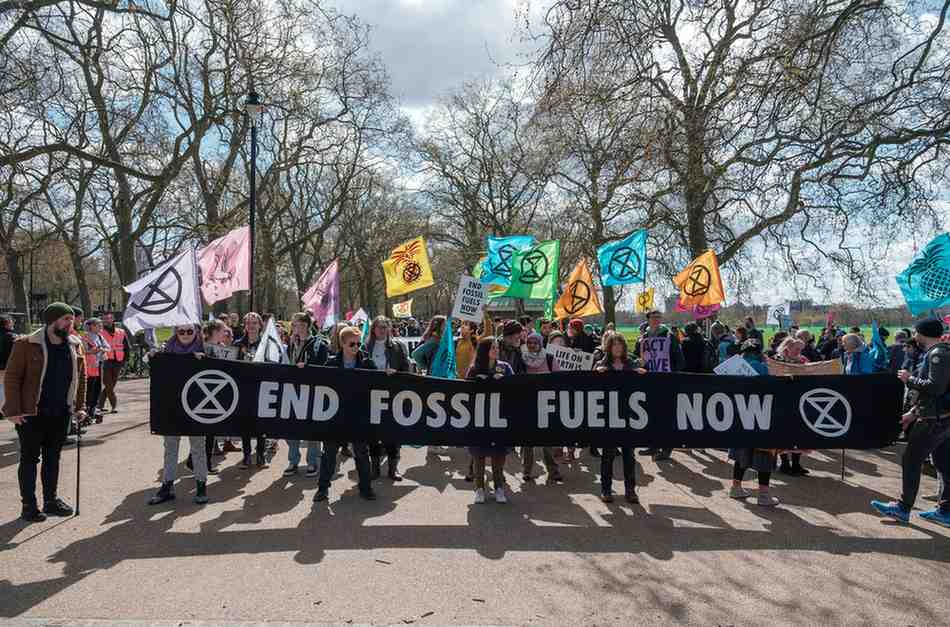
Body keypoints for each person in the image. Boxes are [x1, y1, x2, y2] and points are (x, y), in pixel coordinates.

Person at [3, 303, 87, 522]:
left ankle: (51, 500)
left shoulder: (75, 344)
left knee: (53, 457)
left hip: (61, 412)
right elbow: (12, 377)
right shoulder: (26, 344)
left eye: (71, 319)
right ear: (52, 320)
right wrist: (12, 409)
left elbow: (81, 377)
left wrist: (79, 407)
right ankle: (29, 506)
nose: (71, 323)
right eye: (66, 319)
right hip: (31, 413)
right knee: (30, 458)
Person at [872, 318, 950, 526]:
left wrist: (909, 379)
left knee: (911, 461)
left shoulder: (937, 355)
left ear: (922, 333)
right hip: (940, 417)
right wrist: (914, 412)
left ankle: (902, 508)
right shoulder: (942, 352)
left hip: (933, 421)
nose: (914, 337)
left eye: (916, 333)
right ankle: (945, 511)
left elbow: (936, 388)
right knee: (944, 464)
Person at [146, 324, 211, 506]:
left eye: (189, 331)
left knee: (198, 447)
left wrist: (205, 360)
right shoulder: (167, 350)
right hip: (172, 407)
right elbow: (154, 368)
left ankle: (201, 485)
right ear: (176, 332)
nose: (185, 335)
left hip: (196, 408)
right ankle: (167, 486)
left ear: (196, 332)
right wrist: (153, 357)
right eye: (181, 331)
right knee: (170, 447)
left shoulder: (204, 349)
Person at [314, 327, 377, 502]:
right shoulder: (332, 363)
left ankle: (366, 488)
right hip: (335, 416)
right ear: (342, 344)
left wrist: (388, 374)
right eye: (352, 344)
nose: (356, 347)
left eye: (358, 343)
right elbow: (316, 380)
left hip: (358, 416)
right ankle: (322, 488)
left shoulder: (367, 363)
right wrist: (303, 370)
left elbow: (379, 381)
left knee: (361, 452)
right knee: (329, 453)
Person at [593, 333, 645, 503]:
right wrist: (596, 373)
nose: (617, 347)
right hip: (608, 416)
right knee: (607, 455)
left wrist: (641, 373)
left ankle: (630, 490)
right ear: (609, 347)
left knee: (629, 455)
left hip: (629, 416)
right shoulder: (602, 364)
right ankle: (606, 489)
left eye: (619, 344)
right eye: (613, 344)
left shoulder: (631, 363)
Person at [727, 339, 780, 506]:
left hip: (738, 414)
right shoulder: (763, 367)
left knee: (741, 453)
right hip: (760, 414)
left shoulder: (733, 367)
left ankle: (736, 487)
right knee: (764, 454)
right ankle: (763, 494)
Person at [467, 337, 513, 504]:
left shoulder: (505, 367)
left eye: (497, 347)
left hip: (500, 417)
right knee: (479, 455)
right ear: (484, 350)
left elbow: (516, 386)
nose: (496, 350)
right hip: (480, 417)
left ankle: (499, 488)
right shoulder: (474, 369)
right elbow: (465, 391)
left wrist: (505, 383)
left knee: (498, 455)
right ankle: (479, 488)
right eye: (492, 347)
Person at [364, 316, 411, 481]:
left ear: (389, 329)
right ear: (373, 329)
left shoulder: (397, 347)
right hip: (371, 397)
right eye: (378, 327)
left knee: (393, 433)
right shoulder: (365, 347)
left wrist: (396, 374)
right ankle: (375, 468)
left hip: (393, 396)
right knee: (373, 434)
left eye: (385, 327)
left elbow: (407, 369)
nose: (382, 330)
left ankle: (393, 468)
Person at [635, 310, 684, 461]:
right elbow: (638, 356)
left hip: (666, 381)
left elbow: (680, 359)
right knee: (652, 414)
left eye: (659, 317)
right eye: (653, 317)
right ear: (648, 319)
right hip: (650, 381)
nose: (656, 320)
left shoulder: (669, 336)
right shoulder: (643, 338)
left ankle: (666, 448)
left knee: (666, 415)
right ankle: (654, 445)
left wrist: (671, 374)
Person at [283, 312, 328, 477]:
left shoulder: (319, 344)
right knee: (291, 428)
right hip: (292, 391)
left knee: (311, 428)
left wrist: (308, 368)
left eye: (301, 325)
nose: (298, 328)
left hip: (312, 391)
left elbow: (324, 368)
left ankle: (313, 461)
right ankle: (293, 461)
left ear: (308, 326)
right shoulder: (290, 345)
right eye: (295, 325)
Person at [521, 332, 563, 484]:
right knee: (527, 442)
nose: (532, 345)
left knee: (547, 440)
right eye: (529, 342)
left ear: (540, 344)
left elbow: (559, 381)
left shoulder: (550, 359)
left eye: (535, 342)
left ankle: (553, 471)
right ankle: (526, 471)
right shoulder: (522, 360)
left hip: (547, 405)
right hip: (527, 404)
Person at [234, 312, 269, 468]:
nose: (251, 326)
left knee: (261, 422)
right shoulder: (237, 344)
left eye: (254, 323)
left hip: (262, 388)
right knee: (245, 423)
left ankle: (260, 454)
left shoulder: (267, 343)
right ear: (245, 326)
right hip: (243, 388)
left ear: (260, 325)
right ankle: (246, 455)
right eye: (248, 323)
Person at [773, 337, 811, 476]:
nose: (799, 352)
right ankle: (784, 464)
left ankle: (796, 465)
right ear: (787, 347)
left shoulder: (803, 360)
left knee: (798, 435)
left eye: (801, 349)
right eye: (797, 349)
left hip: (799, 401)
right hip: (781, 401)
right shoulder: (777, 360)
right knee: (782, 434)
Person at [97, 312, 129, 414]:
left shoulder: (121, 332)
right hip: (105, 361)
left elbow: (126, 347)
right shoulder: (100, 332)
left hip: (118, 361)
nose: (106, 320)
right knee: (109, 385)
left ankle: (99, 405)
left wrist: (126, 360)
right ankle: (114, 405)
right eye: (104, 319)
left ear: (113, 319)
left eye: (108, 318)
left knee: (110, 385)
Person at [81, 318, 108, 423]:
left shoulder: (100, 336)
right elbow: (83, 350)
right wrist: (92, 351)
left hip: (98, 364)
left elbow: (107, 347)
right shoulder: (85, 336)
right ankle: (87, 409)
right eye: (98, 325)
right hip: (89, 365)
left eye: (101, 325)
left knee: (97, 387)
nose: (100, 327)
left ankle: (93, 408)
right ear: (91, 326)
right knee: (90, 388)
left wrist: (102, 349)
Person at [0, 314, 17, 411]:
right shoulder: (11, 336)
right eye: (11, 321)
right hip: (7, 367)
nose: (13, 323)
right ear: (6, 323)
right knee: (5, 389)